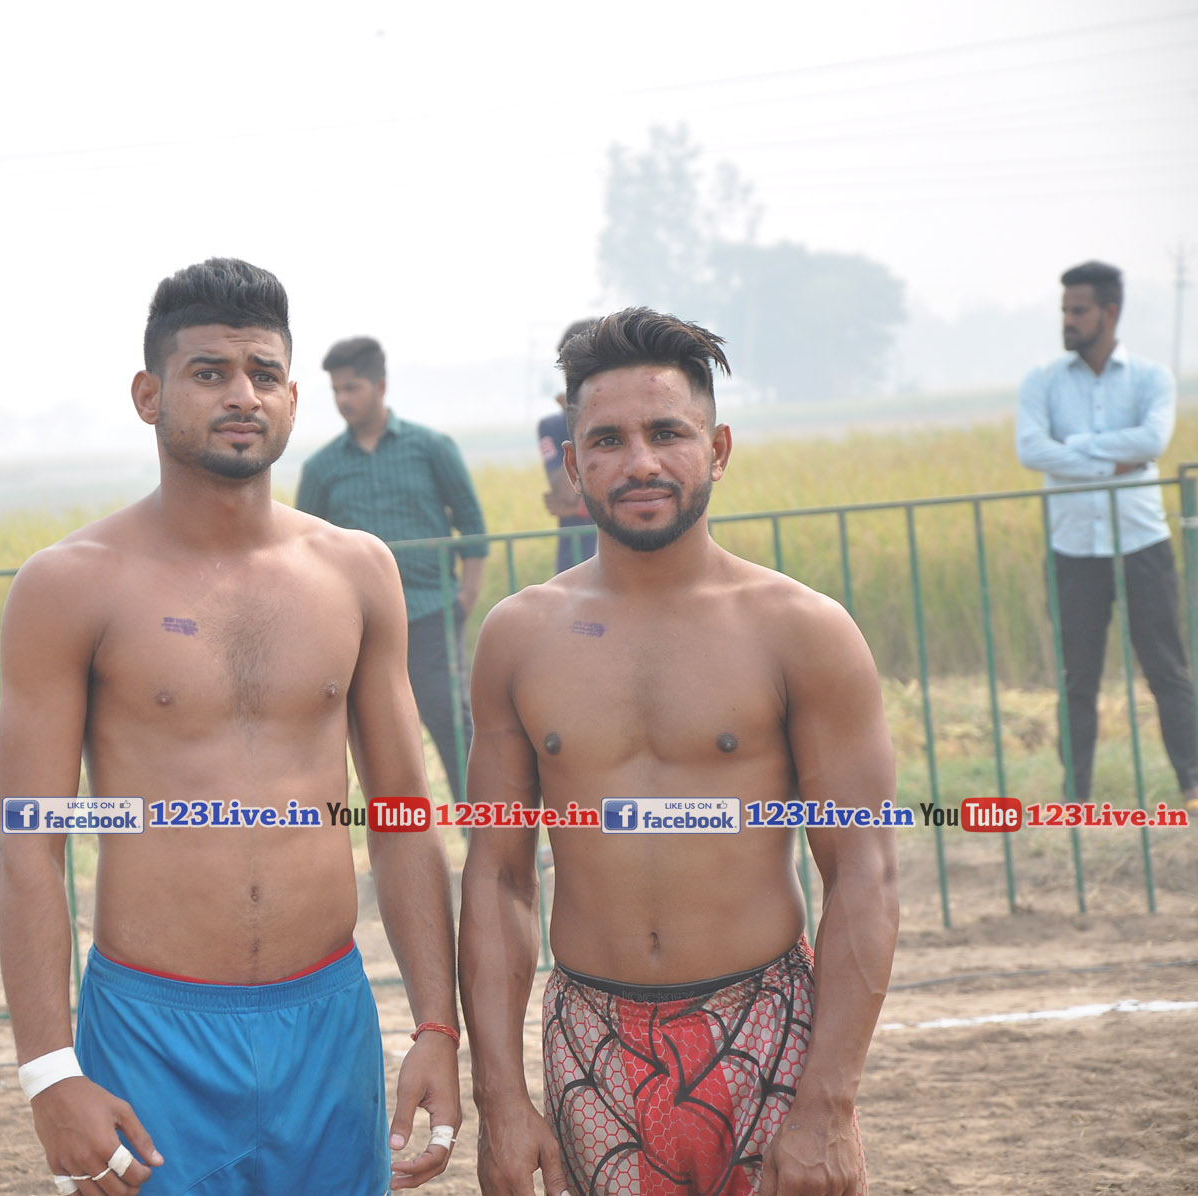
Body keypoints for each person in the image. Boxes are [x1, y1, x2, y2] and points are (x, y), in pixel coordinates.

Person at [0, 258, 461, 1196]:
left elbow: (403, 814)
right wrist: (49, 1072)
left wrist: (437, 1028)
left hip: (327, 1021)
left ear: (291, 398)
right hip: (150, 1030)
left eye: (264, 373)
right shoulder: (70, 583)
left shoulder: (357, 572)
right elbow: (29, 842)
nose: (242, 395)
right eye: (209, 372)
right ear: (149, 395)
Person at [460, 308, 899, 1196]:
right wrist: (501, 1101)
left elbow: (863, 869)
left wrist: (829, 1103)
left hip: (768, 1028)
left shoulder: (802, 631)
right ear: (573, 462)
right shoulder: (518, 637)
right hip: (588, 1039)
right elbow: (497, 877)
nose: (641, 463)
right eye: (608, 440)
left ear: (719, 447)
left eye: (667, 433)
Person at [1015, 260, 1198, 811]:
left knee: (1167, 670)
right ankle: (1077, 802)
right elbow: (1031, 449)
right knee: (1078, 680)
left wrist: (1073, 448)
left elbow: (1152, 442)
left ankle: (1193, 787)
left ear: (1110, 312)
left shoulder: (1151, 378)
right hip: (1073, 549)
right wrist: (1109, 464)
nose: (1068, 320)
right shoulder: (1042, 381)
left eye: (1079, 310)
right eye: (1064, 310)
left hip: (1142, 542)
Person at [295, 335, 487, 805]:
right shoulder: (322, 468)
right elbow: (306, 550)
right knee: (372, 735)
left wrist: (465, 598)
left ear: (380, 386)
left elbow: (472, 524)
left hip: (430, 611)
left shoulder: (431, 448)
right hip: (355, 626)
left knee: (452, 724)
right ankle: (396, 836)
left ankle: (483, 835)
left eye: (352, 388)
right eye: (336, 390)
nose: (343, 399)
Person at [539, 319, 599, 574]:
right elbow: (565, 491)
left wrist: (577, 508)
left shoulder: (633, 421)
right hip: (575, 559)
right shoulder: (553, 426)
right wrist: (574, 419)